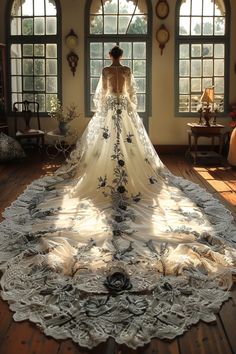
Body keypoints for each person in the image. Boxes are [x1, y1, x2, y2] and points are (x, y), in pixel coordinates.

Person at [0, 45, 236, 349]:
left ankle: (119, 180)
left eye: (114, 58)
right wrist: (121, 106)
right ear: (119, 57)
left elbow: (101, 98)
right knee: (115, 153)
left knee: (120, 153)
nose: (115, 62)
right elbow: (132, 96)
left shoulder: (108, 71)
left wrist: (109, 107)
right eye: (116, 58)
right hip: (122, 112)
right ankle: (115, 180)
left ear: (112, 57)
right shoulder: (124, 71)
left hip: (113, 112)